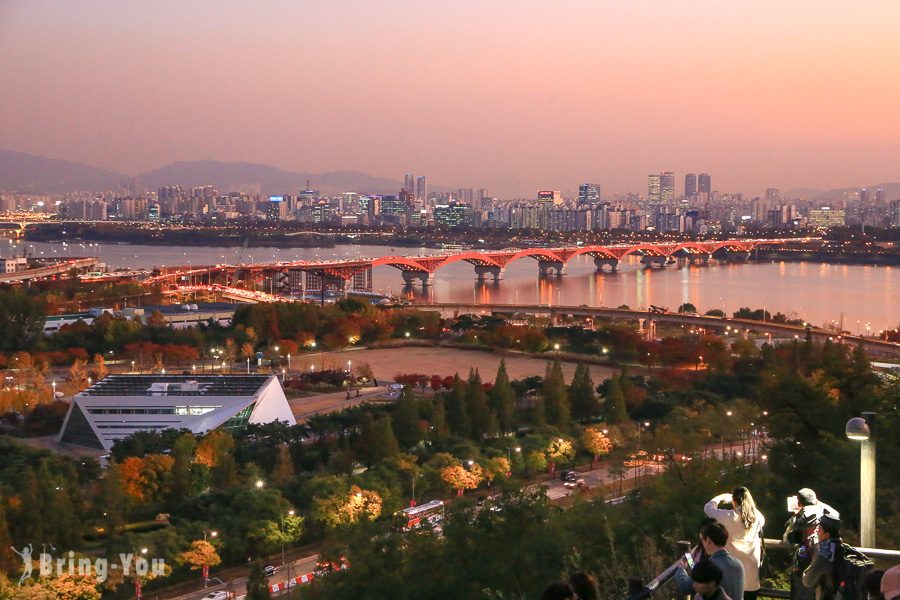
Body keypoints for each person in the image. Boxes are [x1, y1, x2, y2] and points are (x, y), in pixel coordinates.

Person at [705, 487, 766, 600]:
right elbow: (759, 517)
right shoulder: (757, 517)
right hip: (752, 576)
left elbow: (708, 508)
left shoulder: (729, 517)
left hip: (733, 576)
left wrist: (722, 497)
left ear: (734, 500)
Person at [785, 488, 840, 600]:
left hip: (803, 567)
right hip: (824, 566)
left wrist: (794, 516)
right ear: (816, 500)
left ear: (799, 503)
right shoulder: (826, 515)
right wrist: (817, 504)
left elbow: (787, 539)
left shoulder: (798, 518)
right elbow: (836, 515)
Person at [676, 521, 745, 600]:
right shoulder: (739, 564)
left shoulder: (709, 567)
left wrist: (681, 569)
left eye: (702, 540)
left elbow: (685, 587)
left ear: (708, 540)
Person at [802, 514, 844, 600]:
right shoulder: (842, 547)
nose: (817, 532)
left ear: (827, 535)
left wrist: (804, 574)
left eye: (820, 529)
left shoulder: (825, 553)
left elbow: (808, 581)